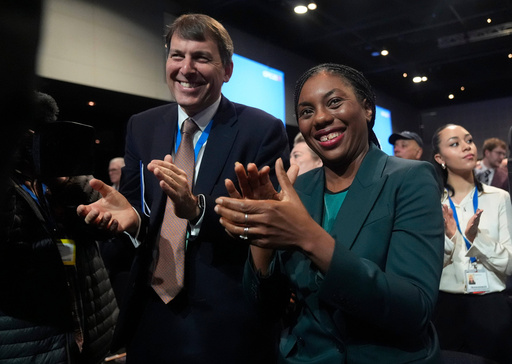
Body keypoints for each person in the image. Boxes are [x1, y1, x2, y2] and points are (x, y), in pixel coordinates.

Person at [76, 14, 289, 363]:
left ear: (227, 71)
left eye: (201, 58)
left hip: (227, 324)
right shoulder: (142, 126)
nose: (185, 68)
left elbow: (270, 228)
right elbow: (141, 213)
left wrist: (198, 211)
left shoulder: (261, 130)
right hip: (150, 317)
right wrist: (129, 220)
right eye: (177, 55)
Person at [215, 63, 445, 363]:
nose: (321, 118)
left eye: (334, 102)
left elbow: (413, 309)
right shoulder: (297, 190)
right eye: (307, 111)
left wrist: (308, 237)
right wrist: (263, 237)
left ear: (367, 109)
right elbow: (267, 309)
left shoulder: (410, 179)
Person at [0, 92, 118, 363]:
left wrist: (64, 183)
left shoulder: (65, 172)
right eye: (26, 134)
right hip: (32, 342)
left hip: (91, 331)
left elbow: (104, 227)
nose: (33, 143)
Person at [431, 124, 512, 364]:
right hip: (444, 306)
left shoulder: (498, 198)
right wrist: (451, 239)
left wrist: (478, 240)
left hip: (491, 308)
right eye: (455, 143)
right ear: (439, 158)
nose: (467, 146)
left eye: (469, 140)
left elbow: (510, 263)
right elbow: (429, 265)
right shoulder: (433, 202)